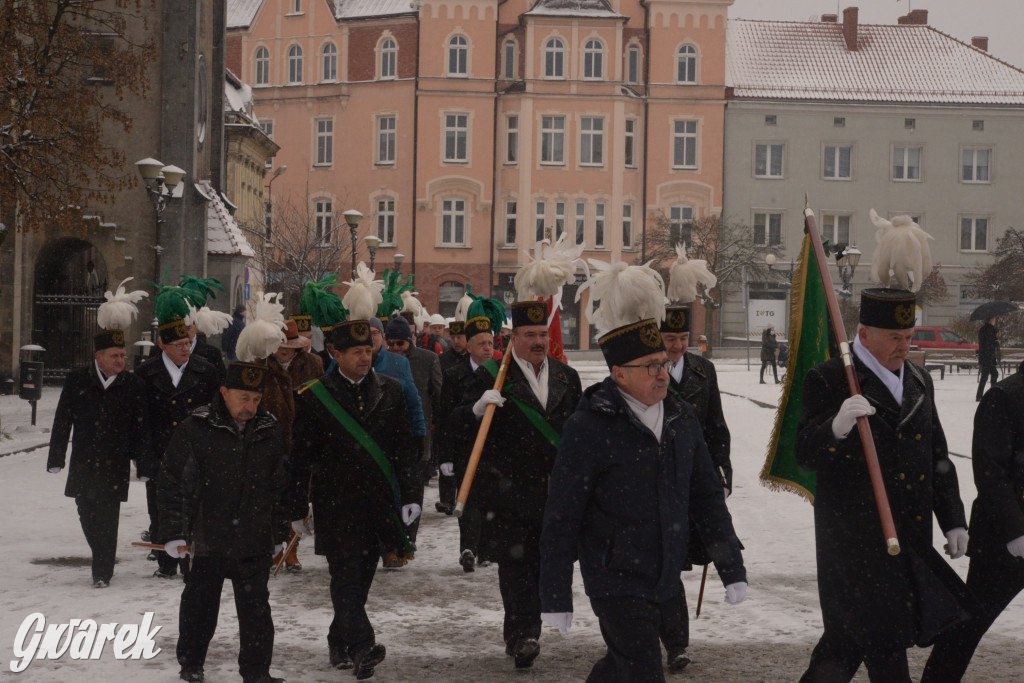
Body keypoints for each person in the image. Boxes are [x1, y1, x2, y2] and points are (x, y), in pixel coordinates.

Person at [540, 313, 747, 682]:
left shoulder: (681, 418)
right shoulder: (588, 426)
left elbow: (707, 499)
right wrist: (555, 593)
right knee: (643, 668)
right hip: (614, 576)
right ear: (619, 374)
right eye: (651, 367)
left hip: (666, 572)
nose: (664, 374)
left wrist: (731, 566)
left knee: (620, 667)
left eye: (663, 364)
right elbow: (562, 514)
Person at [796, 288, 973, 682]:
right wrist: (837, 426)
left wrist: (953, 520)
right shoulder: (829, 379)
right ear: (863, 334)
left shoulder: (919, 380)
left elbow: (936, 456)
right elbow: (805, 454)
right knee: (864, 641)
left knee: (865, 642)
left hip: (906, 535)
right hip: (853, 541)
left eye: (909, 336)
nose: (905, 346)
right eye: (896, 338)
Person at [287, 318, 419, 679]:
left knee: (359, 580)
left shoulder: (390, 390)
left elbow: (405, 448)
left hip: (378, 505)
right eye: (357, 352)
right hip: (336, 504)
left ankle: (337, 639)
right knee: (345, 577)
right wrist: (297, 507)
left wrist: (411, 495)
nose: (365, 357)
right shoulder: (314, 396)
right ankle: (363, 647)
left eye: (368, 350)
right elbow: (300, 459)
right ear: (335, 353)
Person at [464, 300, 582, 669]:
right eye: (529, 334)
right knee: (516, 567)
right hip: (509, 494)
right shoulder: (490, 377)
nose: (538, 341)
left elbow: (579, 433)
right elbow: (454, 428)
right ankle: (522, 635)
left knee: (546, 564)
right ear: (512, 338)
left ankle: (527, 628)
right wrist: (475, 411)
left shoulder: (566, 376)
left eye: (542, 334)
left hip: (556, 494)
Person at [158, 361, 289, 683]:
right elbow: (172, 482)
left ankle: (257, 672)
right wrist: (174, 532)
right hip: (207, 538)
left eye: (256, 400)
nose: (250, 407)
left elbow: (281, 485)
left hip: (254, 537)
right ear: (224, 392)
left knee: (257, 612)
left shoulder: (269, 430)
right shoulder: (196, 428)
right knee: (199, 608)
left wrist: (278, 531)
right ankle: (191, 665)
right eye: (243, 398)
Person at [922, 360, 1024, 681]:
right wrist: (1015, 532)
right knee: (968, 627)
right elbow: (991, 474)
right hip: (1003, 543)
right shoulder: (1004, 397)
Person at [47, 283, 153, 588]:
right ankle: (102, 555)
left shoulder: (132, 385)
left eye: (123, 355)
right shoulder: (78, 380)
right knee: (86, 513)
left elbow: (141, 427)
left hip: (114, 462)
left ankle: (102, 571)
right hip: (84, 459)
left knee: (108, 517)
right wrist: (56, 458)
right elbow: (62, 420)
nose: (121, 360)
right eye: (115, 355)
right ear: (99, 356)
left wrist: (143, 465)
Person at [658, 303, 734, 670]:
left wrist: (722, 465)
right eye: (670, 338)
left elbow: (716, 421)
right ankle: (673, 642)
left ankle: (675, 642)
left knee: (678, 556)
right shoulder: (650, 370)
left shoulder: (705, 370)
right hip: (658, 478)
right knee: (664, 560)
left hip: (695, 476)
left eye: (683, 338)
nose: (676, 345)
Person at [138, 289, 221, 579]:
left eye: (187, 343)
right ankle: (165, 562)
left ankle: (188, 561)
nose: (186, 349)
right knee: (160, 508)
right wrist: (144, 458)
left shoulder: (206, 371)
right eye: (178, 344)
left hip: (195, 454)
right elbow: (142, 421)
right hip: (160, 454)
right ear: (162, 345)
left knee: (192, 508)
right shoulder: (146, 374)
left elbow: (216, 412)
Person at [436, 316, 496, 565]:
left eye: (490, 343)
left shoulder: (501, 373)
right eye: (481, 343)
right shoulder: (453, 375)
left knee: (491, 500)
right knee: (468, 497)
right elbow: (445, 417)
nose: (487, 348)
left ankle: (487, 551)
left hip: (495, 449)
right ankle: (468, 549)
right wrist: (445, 457)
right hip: (464, 446)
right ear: (468, 346)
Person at [385, 316, 442, 545]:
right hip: (389, 433)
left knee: (413, 486)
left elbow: (438, 394)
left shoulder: (428, 360)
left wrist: (435, 425)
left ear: (411, 341)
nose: (397, 348)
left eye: (401, 343)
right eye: (393, 344)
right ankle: (393, 535)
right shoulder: (382, 361)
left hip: (418, 431)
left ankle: (409, 536)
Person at [977, 316, 1000, 401]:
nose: (995, 322)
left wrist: (996, 336)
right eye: (994, 320)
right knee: (991, 375)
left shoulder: (983, 329)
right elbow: (989, 344)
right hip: (988, 356)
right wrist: (996, 342)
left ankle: (980, 395)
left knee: (987, 376)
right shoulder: (989, 330)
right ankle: (990, 395)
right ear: (991, 321)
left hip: (985, 356)